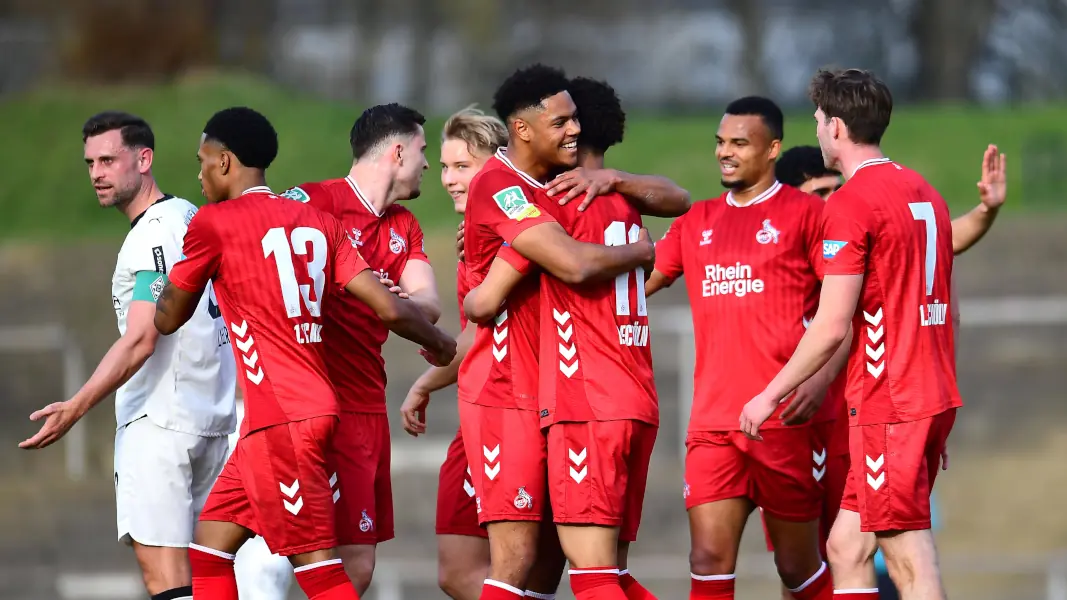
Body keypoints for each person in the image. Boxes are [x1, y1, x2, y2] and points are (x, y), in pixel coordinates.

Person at [152, 106, 456, 600]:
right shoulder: (317, 216)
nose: (199, 174)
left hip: (284, 418)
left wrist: (168, 274)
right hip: (299, 411)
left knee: (325, 572)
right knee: (210, 547)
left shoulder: (214, 224)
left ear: (224, 162)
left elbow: (167, 318)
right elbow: (390, 307)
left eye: (202, 161)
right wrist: (441, 344)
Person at [740, 68, 962, 600]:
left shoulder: (851, 202)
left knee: (907, 557)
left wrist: (770, 394)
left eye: (819, 120)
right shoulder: (924, 191)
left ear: (837, 127)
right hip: (927, 395)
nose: (817, 130)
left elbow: (831, 324)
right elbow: (945, 309)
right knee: (846, 547)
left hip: (892, 401)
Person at [462, 76, 681, 600]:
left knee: (562, 570)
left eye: (573, 120)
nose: (571, 130)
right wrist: (640, 247)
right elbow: (680, 198)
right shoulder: (620, 201)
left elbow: (489, 300)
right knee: (570, 568)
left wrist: (475, 293)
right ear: (523, 129)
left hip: (574, 398)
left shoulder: (553, 203)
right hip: (611, 397)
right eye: (561, 121)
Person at [19, 111, 236, 600]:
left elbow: (141, 337)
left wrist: (75, 407)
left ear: (144, 159)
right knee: (208, 576)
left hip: (160, 425)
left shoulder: (151, 235)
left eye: (108, 160)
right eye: (90, 163)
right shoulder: (188, 216)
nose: (97, 173)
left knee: (165, 575)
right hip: (210, 419)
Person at [643, 96, 838, 600]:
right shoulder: (696, 221)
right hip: (712, 425)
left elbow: (846, 310)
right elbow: (635, 288)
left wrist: (818, 381)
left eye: (739, 143)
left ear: (772, 149)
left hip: (782, 421)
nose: (725, 152)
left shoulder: (808, 215)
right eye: (720, 142)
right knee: (707, 560)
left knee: (797, 568)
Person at [279, 102, 440, 594]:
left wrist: (392, 298)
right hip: (313, 404)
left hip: (368, 407)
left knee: (358, 565)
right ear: (398, 152)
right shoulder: (311, 202)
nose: (427, 163)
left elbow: (429, 304)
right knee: (295, 561)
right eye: (422, 150)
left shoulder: (404, 225)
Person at [399, 105, 507, 600]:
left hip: (510, 415)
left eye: (463, 166)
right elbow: (478, 334)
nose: (448, 179)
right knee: (463, 570)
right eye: (444, 166)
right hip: (480, 414)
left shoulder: (515, 232)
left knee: (495, 571)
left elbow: (484, 328)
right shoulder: (473, 240)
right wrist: (428, 379)